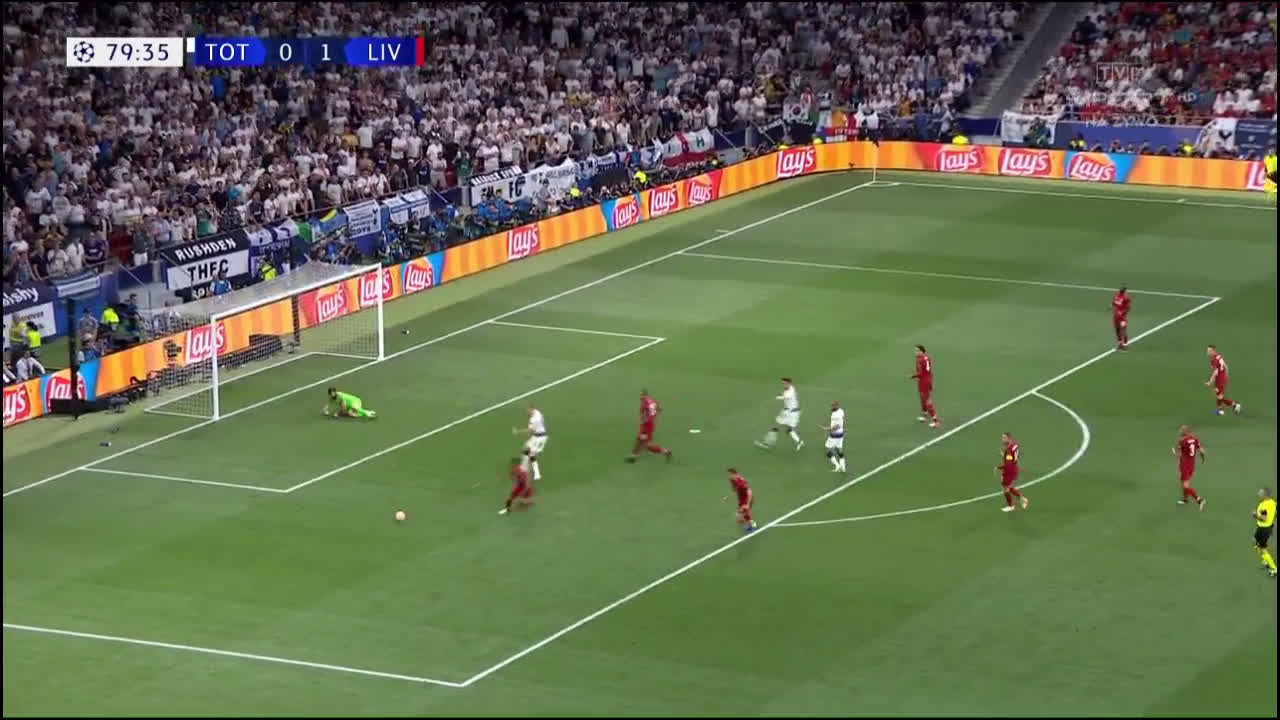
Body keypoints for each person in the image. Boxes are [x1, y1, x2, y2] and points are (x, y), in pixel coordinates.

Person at [757, 377, 803, 450]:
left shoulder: (790, 392)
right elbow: (784, 394)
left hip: (789, 413)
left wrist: (778, 396)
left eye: (785, 383)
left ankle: (767, 443)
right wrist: (781, 394)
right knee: (789, 429)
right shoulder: (791, 388)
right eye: (782, 383)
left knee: (776, 426)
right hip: (793, 412)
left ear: (789, 383)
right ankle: (799, 442)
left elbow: (784, 397)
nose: (783, 385)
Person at [628, 389, 672, 463]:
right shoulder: (652, 401)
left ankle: (666, 451)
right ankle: (633, 456)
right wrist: (653, 414)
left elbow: (645, 416)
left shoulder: (644, 404)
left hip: (647, 425)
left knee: (647, 445)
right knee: (640, 440)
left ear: (644, 395)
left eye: (642, 395)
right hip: (650, 424)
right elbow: (659, 409)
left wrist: (644, 420)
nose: (641, 397)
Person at [1173, 425, 1206, 509]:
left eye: (1181, 430)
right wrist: (1203, 459)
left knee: (1185, 486)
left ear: (1185, 432)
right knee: (1183, 482)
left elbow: (1178, 455)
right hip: (1192, 464)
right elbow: (1202, 451)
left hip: (1184, 465)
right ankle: (1185, 500)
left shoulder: (1182, 441)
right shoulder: (1195, 439)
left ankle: (1199, 500)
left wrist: (1174, 453)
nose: (1179, 431)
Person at [512, 404, 548, 481]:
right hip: (536, 436)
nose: (527, 412)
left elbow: (530, 430)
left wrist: (517, 432)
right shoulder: (537, 412)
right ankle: (524, 468)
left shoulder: (534, 419)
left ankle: (537, 474)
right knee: (525, 448)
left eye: (528, 411)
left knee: (531, 454)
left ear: (532, 409)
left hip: (540, 438)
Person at [996, 432, 1029, 512]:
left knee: (1006, 488)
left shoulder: (1009, 449)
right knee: (1007, 487)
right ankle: (1023, 499)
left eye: (1004, 438)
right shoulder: (1013, 446)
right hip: (1010, 468)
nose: (1002, 439)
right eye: (1002, 437)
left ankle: (1011, 506)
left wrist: (999, 467)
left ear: (1009, 438)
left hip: (1010, 470)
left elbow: (1009, 462)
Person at [1205, 345, 1241, 415]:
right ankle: (1221, 410)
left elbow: (1215, 372)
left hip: (1220, 380)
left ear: (1213, 351)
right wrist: (1227, 375)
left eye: (1209, 351)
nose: (1207, 352)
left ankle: (1235, 405)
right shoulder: (1219, 356)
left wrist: (1210, 382)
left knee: (1219, 396)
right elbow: (1225, 365)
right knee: (1218, 394)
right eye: (1207, 350)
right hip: (1222, 378)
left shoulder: (1214, 360)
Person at [911, 345, 940, 428]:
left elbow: (920, 373)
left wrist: (913, 376)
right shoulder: (926, 358)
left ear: (921, 351)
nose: (915, 352)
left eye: (917, 351)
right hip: (928, 378)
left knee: (927, 400)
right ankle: (925, 415)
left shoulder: (920, 360)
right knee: (922, 398)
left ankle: (936, 421)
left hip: (924, 381)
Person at [1253, 487, 1276, 578]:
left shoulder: (1264, 505)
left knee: (1262, 548)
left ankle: (1274, 568)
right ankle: (1266, 560)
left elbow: (1263, 518)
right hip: (1268, 527)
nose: (1258, 494)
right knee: (1256, 543)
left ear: (1265, 495)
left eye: (1260, 493)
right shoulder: (1273, 503)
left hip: (1263, 529)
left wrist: (1255, 515)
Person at [725, 467, 756, 533]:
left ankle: (752, 526)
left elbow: (749, 492)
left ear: (735, 474)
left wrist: (747, 504)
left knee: (744, 511)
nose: (729, 476)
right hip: (741, 499)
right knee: (739, 519)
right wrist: (729, 496)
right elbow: (734, 488)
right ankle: (750, 523)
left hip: (747, 498)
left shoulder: (742, 482)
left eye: (730, 474)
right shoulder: (732, 480)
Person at [819, 400, 847, 472]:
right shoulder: (841, 411)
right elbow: (842, 420)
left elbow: (837, 426)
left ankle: (837, 466)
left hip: (835, 435)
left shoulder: (836, 415)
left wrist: (826, 429)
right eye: (831, 405)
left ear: (837, 406)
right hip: (841, 434)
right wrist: (843, 428)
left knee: (827, 450)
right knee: (839, 450)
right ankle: (843, 467)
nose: (832, 407)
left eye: (833, 406)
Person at [1112, 286, 1131, 351]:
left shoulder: (1126, 298)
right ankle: (1120, 344)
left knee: (1123, 330)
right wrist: (1112, 305)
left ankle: (1125, 345)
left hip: (1122, 318)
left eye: (1121, 290)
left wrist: (1122, 312)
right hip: (1116, 316)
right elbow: (1114, 302)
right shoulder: (1116, 295)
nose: (1120, 291)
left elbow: (1128, 308)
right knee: (1117, 330)